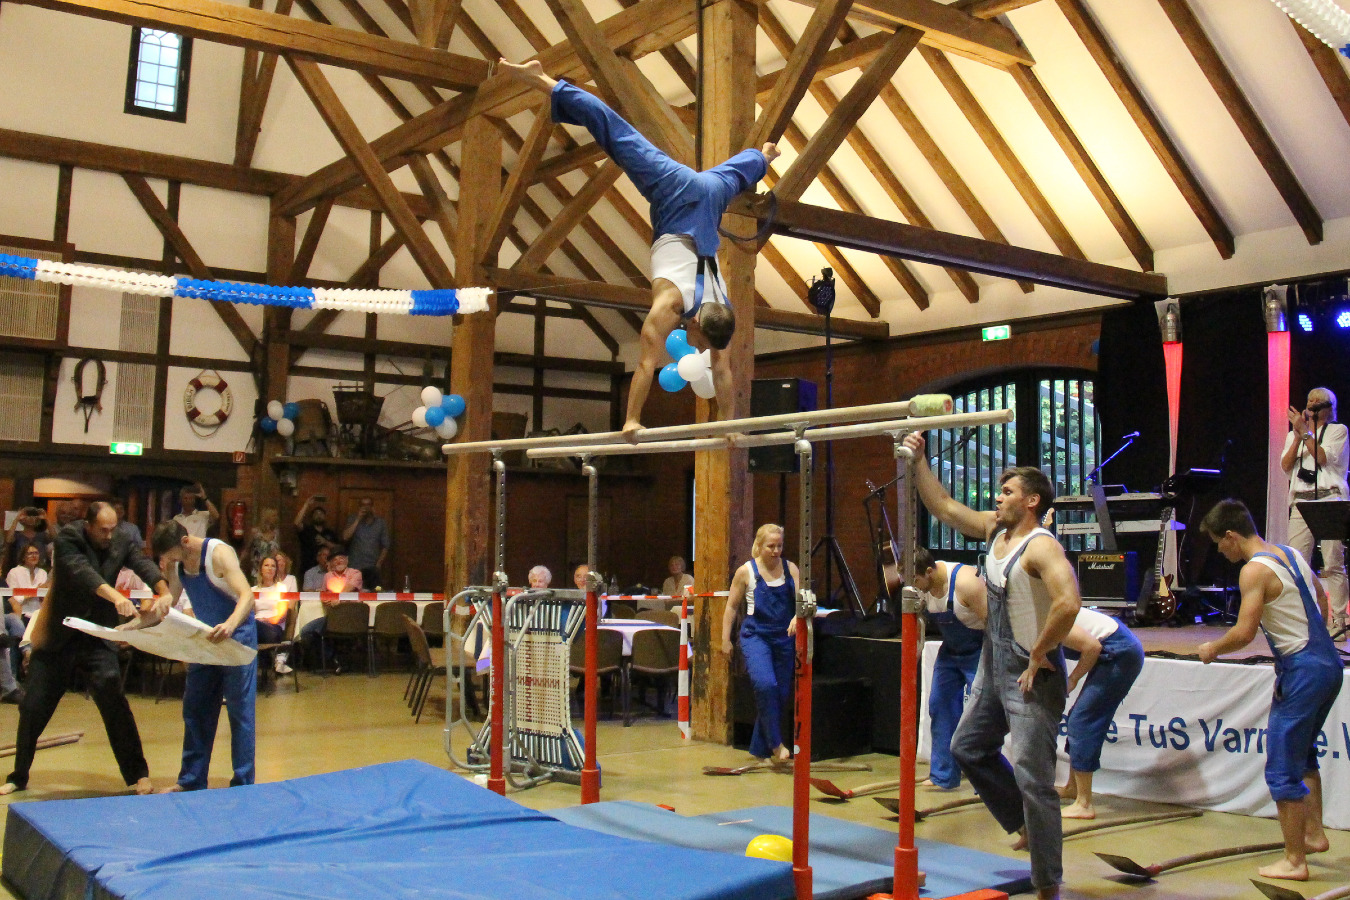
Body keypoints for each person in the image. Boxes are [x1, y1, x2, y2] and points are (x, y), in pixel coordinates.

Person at [498, 58, 780, 440]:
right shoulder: (670, 305)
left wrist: (728, 426)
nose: (698, 348)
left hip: (710, 196)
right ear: (697, 324)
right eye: (700, 342)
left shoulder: (722, 313)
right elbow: (647, 364)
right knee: (618, 137)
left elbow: (722, 371)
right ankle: (542, 80)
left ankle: (763, 157)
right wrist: (631, 420)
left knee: (732, 175)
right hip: (676, 198)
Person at [903, 433, 1079, 900]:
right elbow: (943, 507)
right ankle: (1023, 824)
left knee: (1033, 777)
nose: (997, 499)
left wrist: (1040, 651)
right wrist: (919, 461)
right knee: (967, 747)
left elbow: (1068, 602)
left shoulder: (1041, 547)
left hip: (1031, 672)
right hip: (992, 661)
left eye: (1007, 492)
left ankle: (1048, 885)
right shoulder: (995, 532)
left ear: (1032, 500)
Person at [1197, 498, 1341, 881]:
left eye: (1218, 543)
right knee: (1303, 754)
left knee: (1280, 768)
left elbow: (1244, 633)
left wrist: (1213, 648)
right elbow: (1322, 597)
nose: (1219, 551)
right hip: (1329, 664)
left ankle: (1294, 862)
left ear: (1231, 536)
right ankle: (1313, 835)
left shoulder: (1254, 571)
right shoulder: (1290, 553)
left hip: (1302, 672)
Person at [2, 502, 173, 796]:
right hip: (60, 634)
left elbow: (142, 563)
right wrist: (116, 598)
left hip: (96, 635)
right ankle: (18, 776)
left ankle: (138, 775)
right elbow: (83, 574)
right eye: (103, 530)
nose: (109, 535)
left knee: (113, 700)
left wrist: (163, 590)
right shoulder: (69, 538)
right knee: (33, 706)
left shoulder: (121, 538)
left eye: (112, 529)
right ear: (88, 525)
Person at [151, 520, 257, 793]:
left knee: (240, 712)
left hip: (236, 636)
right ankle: (191, 780)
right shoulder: (178, 563)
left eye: (172, 556)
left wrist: (231, 624)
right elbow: (170, 602)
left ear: (185, 542)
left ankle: (243, 784)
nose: (171, 562)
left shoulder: (219, 554)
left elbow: (247, 596)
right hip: (207, 639)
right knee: (195, 708)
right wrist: (138, 624)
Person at [720, 524, 800, 763]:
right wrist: (725, 639)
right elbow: (731, 607)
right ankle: (775, 745)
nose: (776, 551)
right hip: (756, 636)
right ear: (759, 545)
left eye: (779, 546)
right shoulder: (745, 572)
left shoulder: (791, 569)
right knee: (765, 685)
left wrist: (797, 617)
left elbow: (801, 601)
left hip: (784, 638)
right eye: (770, 546)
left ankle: (757, 748)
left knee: (780, 694)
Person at [1057, 607, 1144, 820]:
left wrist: (1073, 678)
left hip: (1120, 652)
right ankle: (1073, 788)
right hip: (1112, 648)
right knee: (1077, 717)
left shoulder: (1048, 618)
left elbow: (1092, 647)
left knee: (1082, 721)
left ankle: (1084, 803)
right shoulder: (1033, 619)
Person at [912, 545, 986, 791]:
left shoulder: (966, 583)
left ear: (929, 572)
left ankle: (986, 782)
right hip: (951, 651)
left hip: (980, 648)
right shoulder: (919, 589)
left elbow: (995, 623)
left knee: (981, 714)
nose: (913, 587)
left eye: (916, 580)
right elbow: (917, 624)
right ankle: (944, 776)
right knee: (939, 705)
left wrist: (997, 662)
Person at [1281, 387, 1348, 636]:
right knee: (1297, 562)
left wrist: (1306, 432)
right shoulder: (1295, 435)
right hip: (1301, 501)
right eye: (1309, 399)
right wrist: (1298, 436)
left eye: (1318, 401)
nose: (1312, 403)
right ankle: (1304, 618)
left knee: (1332, 563)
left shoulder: (1338, 431)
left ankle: (1339, 620)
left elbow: (1322, 458)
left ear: (1329, 407)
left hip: (1330, 499)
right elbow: (1286, 466)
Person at [299, 551, 361, 672]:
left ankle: (338, 659)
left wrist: (338, 598)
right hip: (333, 617)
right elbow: (324, 594)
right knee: (306, 632)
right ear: (331, 563)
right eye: (335, 559)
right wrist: (325, 600)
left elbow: (349, 588)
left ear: (347, 560)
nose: (338, 561)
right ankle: (333, 658)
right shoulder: (328, 576)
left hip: (352, 618)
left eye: (341, 558)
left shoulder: (355, 573)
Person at [254, 555, 293, 675]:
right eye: (266, 565)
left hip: (274, 628)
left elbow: (281, 615)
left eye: (273, 566)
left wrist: (265, 620)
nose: (270, 568)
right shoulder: (253, 590)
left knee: (254, 625)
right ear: (261, 569)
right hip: (255, 626)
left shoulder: (281, 588)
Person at [342, 498, 389, 589]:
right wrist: (358, 519)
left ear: (372, 507)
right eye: (363, 505)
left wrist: (379, 564)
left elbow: (385, 545)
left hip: (372, 566)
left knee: (374, 593)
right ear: (359, 507)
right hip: (355, 565)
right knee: (352, 593)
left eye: (368, 505)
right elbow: (345, 537)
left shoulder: (380, 523)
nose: (366, 508)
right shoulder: (352, 519)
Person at [294, 495, 337, 575]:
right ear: (312, 516)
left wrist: (325, 542)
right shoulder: (307, 530)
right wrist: (306, 504)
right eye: (316, 513)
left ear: (325, 517)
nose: (319, 515)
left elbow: (338, 548)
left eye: (321, 514)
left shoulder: (329, 532)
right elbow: (296, 523)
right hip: (307, 568)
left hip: (326, 569)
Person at [241, 508, 281, 582]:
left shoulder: (276, 533)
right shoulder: (255, 533)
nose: (276, 518)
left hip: (271, 569)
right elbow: (247, 548)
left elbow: (277, 550)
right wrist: (240, 562)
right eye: (274, 516)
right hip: (257, 569)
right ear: (267, 517)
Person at [5, 506, 50, 571]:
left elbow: (56, 539)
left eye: (34, 516)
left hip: (40, 569)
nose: (31, 518)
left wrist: (46, 519)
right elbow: (8, 540)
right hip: (21, 569)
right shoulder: (18, 535)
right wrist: (17, 518)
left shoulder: (42, 535)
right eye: (28, 515)